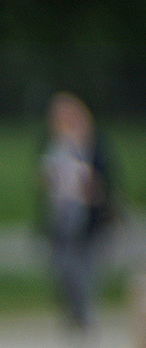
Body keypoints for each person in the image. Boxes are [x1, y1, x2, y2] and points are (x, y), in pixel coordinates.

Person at [37, 92, 119, 332]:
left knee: (87, 268)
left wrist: (97, 188)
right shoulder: (52, 144)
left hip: (90, 217)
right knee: (63, 267)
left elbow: (108, 178)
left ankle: (84, 314)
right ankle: (73, 310)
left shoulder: (95, 143)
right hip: (61, 216)